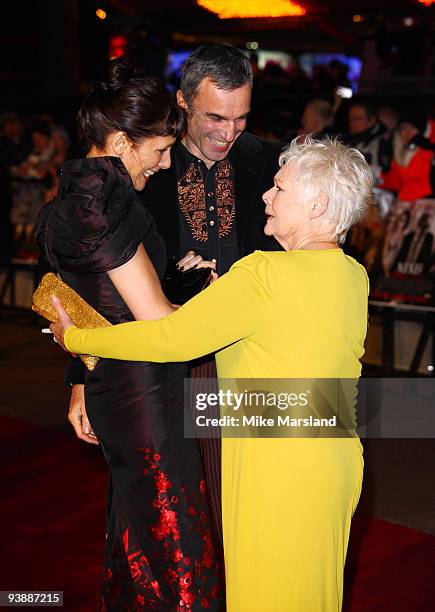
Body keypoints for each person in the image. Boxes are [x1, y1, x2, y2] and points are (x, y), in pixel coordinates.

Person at [51, 136, 372, 611]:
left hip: (278, 469)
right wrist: (223, 301)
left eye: (280, 190)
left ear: (318, 204)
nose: (266, 196)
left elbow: (169, 339)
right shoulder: (353, 276)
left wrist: (76, 339)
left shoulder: (263, 274)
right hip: (335, 461)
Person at [67, 43, 283, 544]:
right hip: (164, 365)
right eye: (215, 117)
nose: (228, 132)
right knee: (171, 513)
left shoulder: (273, 162)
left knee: (250, 509)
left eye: (241, 118)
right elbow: (87, 279)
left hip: (252, 361)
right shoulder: (143, 170)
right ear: (183, 101)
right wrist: (81, 376)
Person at [37, 59, 224, 611]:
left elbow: (85, 299)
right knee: (179, 545)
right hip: (146, 393)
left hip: (115, 388)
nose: (166, 164)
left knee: (139, 538)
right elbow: (159, 324)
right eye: (160, 150)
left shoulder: (70, 199)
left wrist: (78, 383)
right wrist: (220, 298)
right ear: (121, 141)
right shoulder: (110, 204)